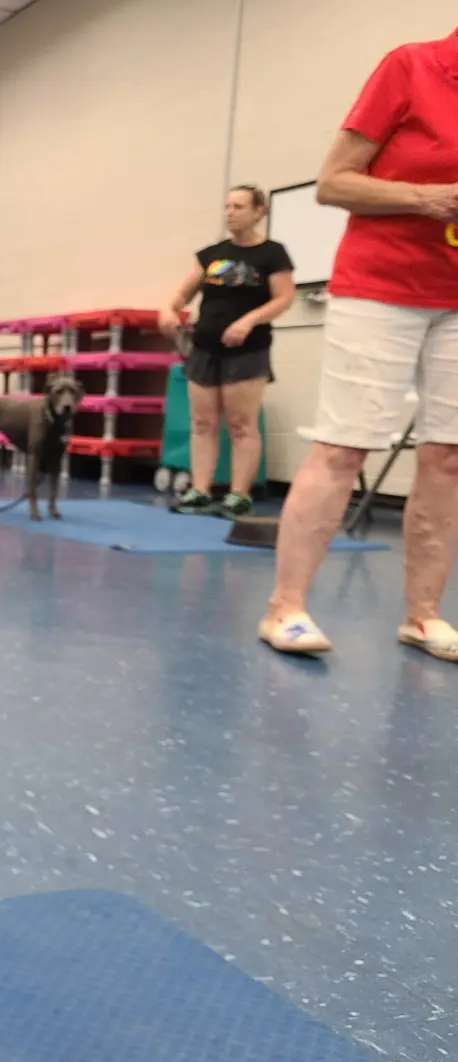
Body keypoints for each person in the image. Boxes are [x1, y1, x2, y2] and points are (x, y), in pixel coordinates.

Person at [259, 28, 458, 659]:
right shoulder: (412, 67)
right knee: (345, 448)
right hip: (381, 286)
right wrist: (428, 199)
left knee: (449, 456)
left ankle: (422, 616)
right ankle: (284, 608)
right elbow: (334, 184)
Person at [159, 186, 297, 518]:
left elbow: (283, 298)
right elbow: (182, 294)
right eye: (227, 206)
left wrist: (249, 321)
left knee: (241, 424)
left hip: (247, 350)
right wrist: (168, 310)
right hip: (204, 348)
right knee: (203, 422)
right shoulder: (210, 255)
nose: (230, 212)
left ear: (258, 212)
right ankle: (200, 490)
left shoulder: (272, 254)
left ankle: (239, 494)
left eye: (238, 206)